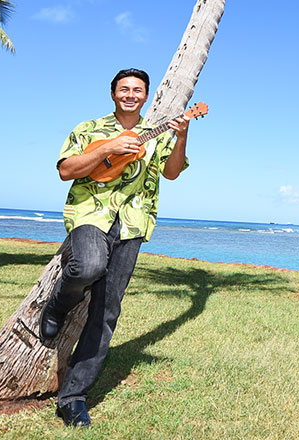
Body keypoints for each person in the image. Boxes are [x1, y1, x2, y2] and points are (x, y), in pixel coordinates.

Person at [40, 68, 190, 427]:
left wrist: (182, 134)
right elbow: (66, 170)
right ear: (113, 94)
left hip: (134, 221)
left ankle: (73, 397)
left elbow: (171, 172)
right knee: (87, 266)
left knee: (107, 311)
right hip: (91, 213)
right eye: (124, 89)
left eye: (138, 90)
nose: (131, 94)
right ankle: (58, 305)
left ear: (146, 96)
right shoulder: (88, 129)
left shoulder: (157, 134)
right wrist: (108, 147)